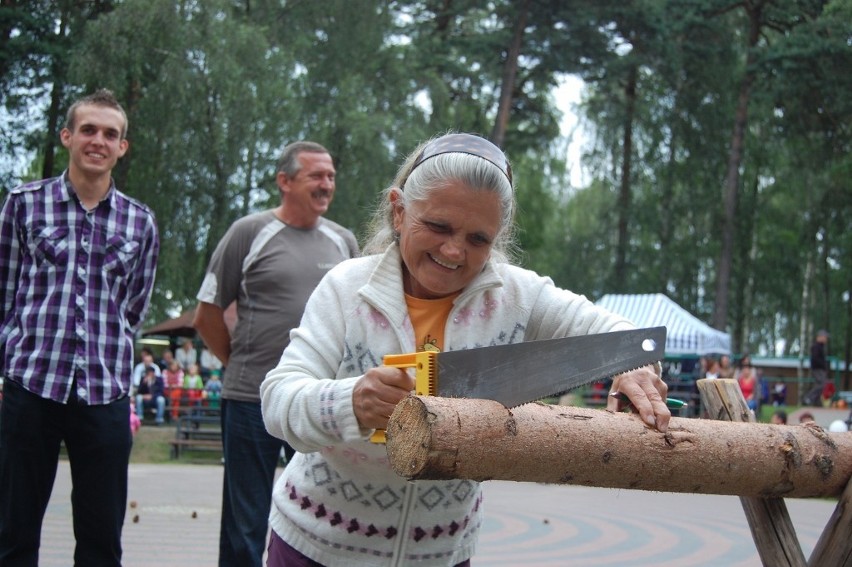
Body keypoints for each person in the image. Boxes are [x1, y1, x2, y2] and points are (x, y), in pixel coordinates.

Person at [260, 132, 670, 566]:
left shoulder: (518, 296)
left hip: (442, 553)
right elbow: (278, 402)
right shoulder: (346, 288)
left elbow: (630, 335)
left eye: (479, 239)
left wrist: (635, 363)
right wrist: (351, 402)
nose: (454, 250)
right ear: (399, 211)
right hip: (317, 546)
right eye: (437, 227)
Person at [0, 88, 159, 565]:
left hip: (105, 393)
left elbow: (132, 309)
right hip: (31, 387)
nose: (98, 141)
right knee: (13, 531)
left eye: (110, 134)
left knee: (101, 539)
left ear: (122, 147)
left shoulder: (141, 222)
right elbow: (4, 295)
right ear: (68, 136)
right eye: (88, 130)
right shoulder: (24, 205)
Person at [193, 140, 359, 567]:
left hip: (320, 401)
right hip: (251, 399)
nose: (327, 184)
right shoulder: (249, 232)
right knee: (245, 522)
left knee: (324, 511)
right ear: (284, 181)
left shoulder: (343, 242)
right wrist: (240, 368)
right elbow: (207, 314)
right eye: (316, 176)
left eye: (331, 176)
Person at [804, 329, 829, 406]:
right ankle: (808, 397)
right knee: (822, 384)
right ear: (820, 337)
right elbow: (815, 358)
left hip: (820, 369)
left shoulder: (821, 347)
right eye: (825, 337)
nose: (826, 339)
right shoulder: (816, 346)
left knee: (820, 385)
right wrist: (822, 365)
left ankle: (817, 402)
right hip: (818, 369)